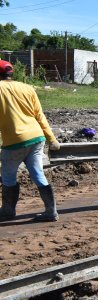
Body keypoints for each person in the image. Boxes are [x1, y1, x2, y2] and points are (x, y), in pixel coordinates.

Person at [0, 60, 61, 222]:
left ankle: (8, 211)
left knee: (8, 176)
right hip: (36, 137)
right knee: (37, 172)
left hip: (14, 141)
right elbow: (39, 115)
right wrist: (52, 139)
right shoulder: (27, 88)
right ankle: (51, 211)